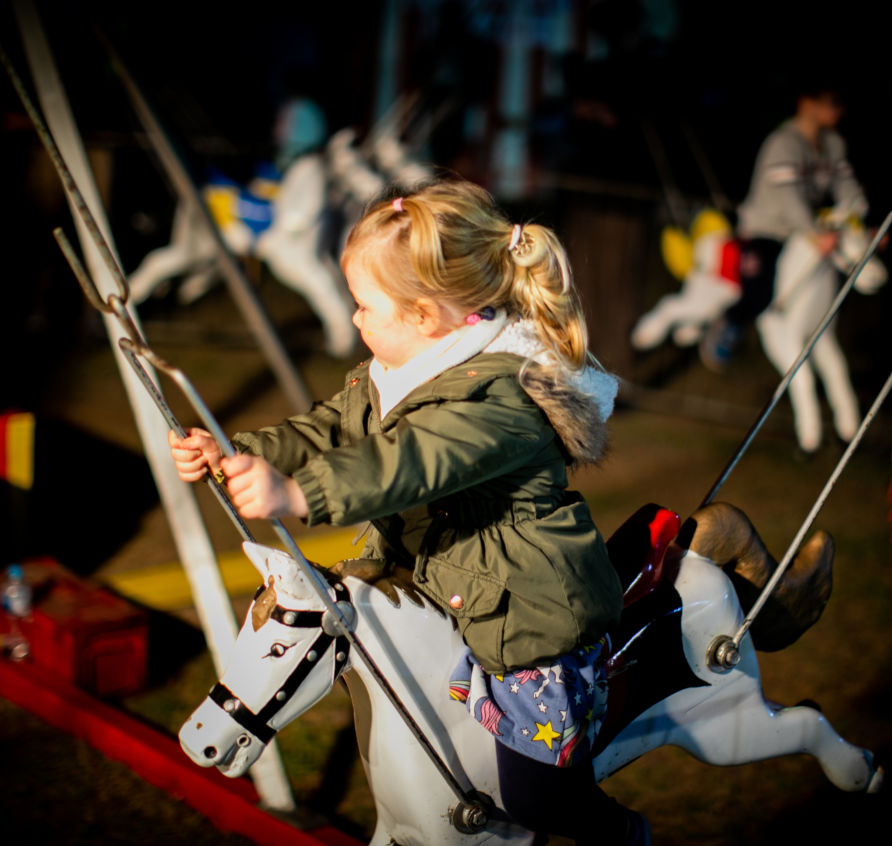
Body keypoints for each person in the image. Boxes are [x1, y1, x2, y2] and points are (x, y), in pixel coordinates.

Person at [169, 178, 649, 845]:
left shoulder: (510, 397)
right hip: (439, 586)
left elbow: (418, 457)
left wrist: (302, 496)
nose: (357, 320)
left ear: (426, 316)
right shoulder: (396, 371)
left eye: (365, 306)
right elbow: (328, 429)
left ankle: (620, 834)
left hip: (526, 614)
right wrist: (234, 452)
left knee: (535, 792)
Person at [699, 80, 868, 371]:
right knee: (760, 290)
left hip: (802, 233)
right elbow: (787, 198)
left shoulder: (833, 144)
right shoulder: (784, 144)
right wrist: (815, 233)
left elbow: (847, 187)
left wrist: (861, 224)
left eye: (839, 103)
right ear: (807, 103)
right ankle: (730, 322)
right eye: (830, 102)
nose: (837, 110)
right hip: (768, 232)